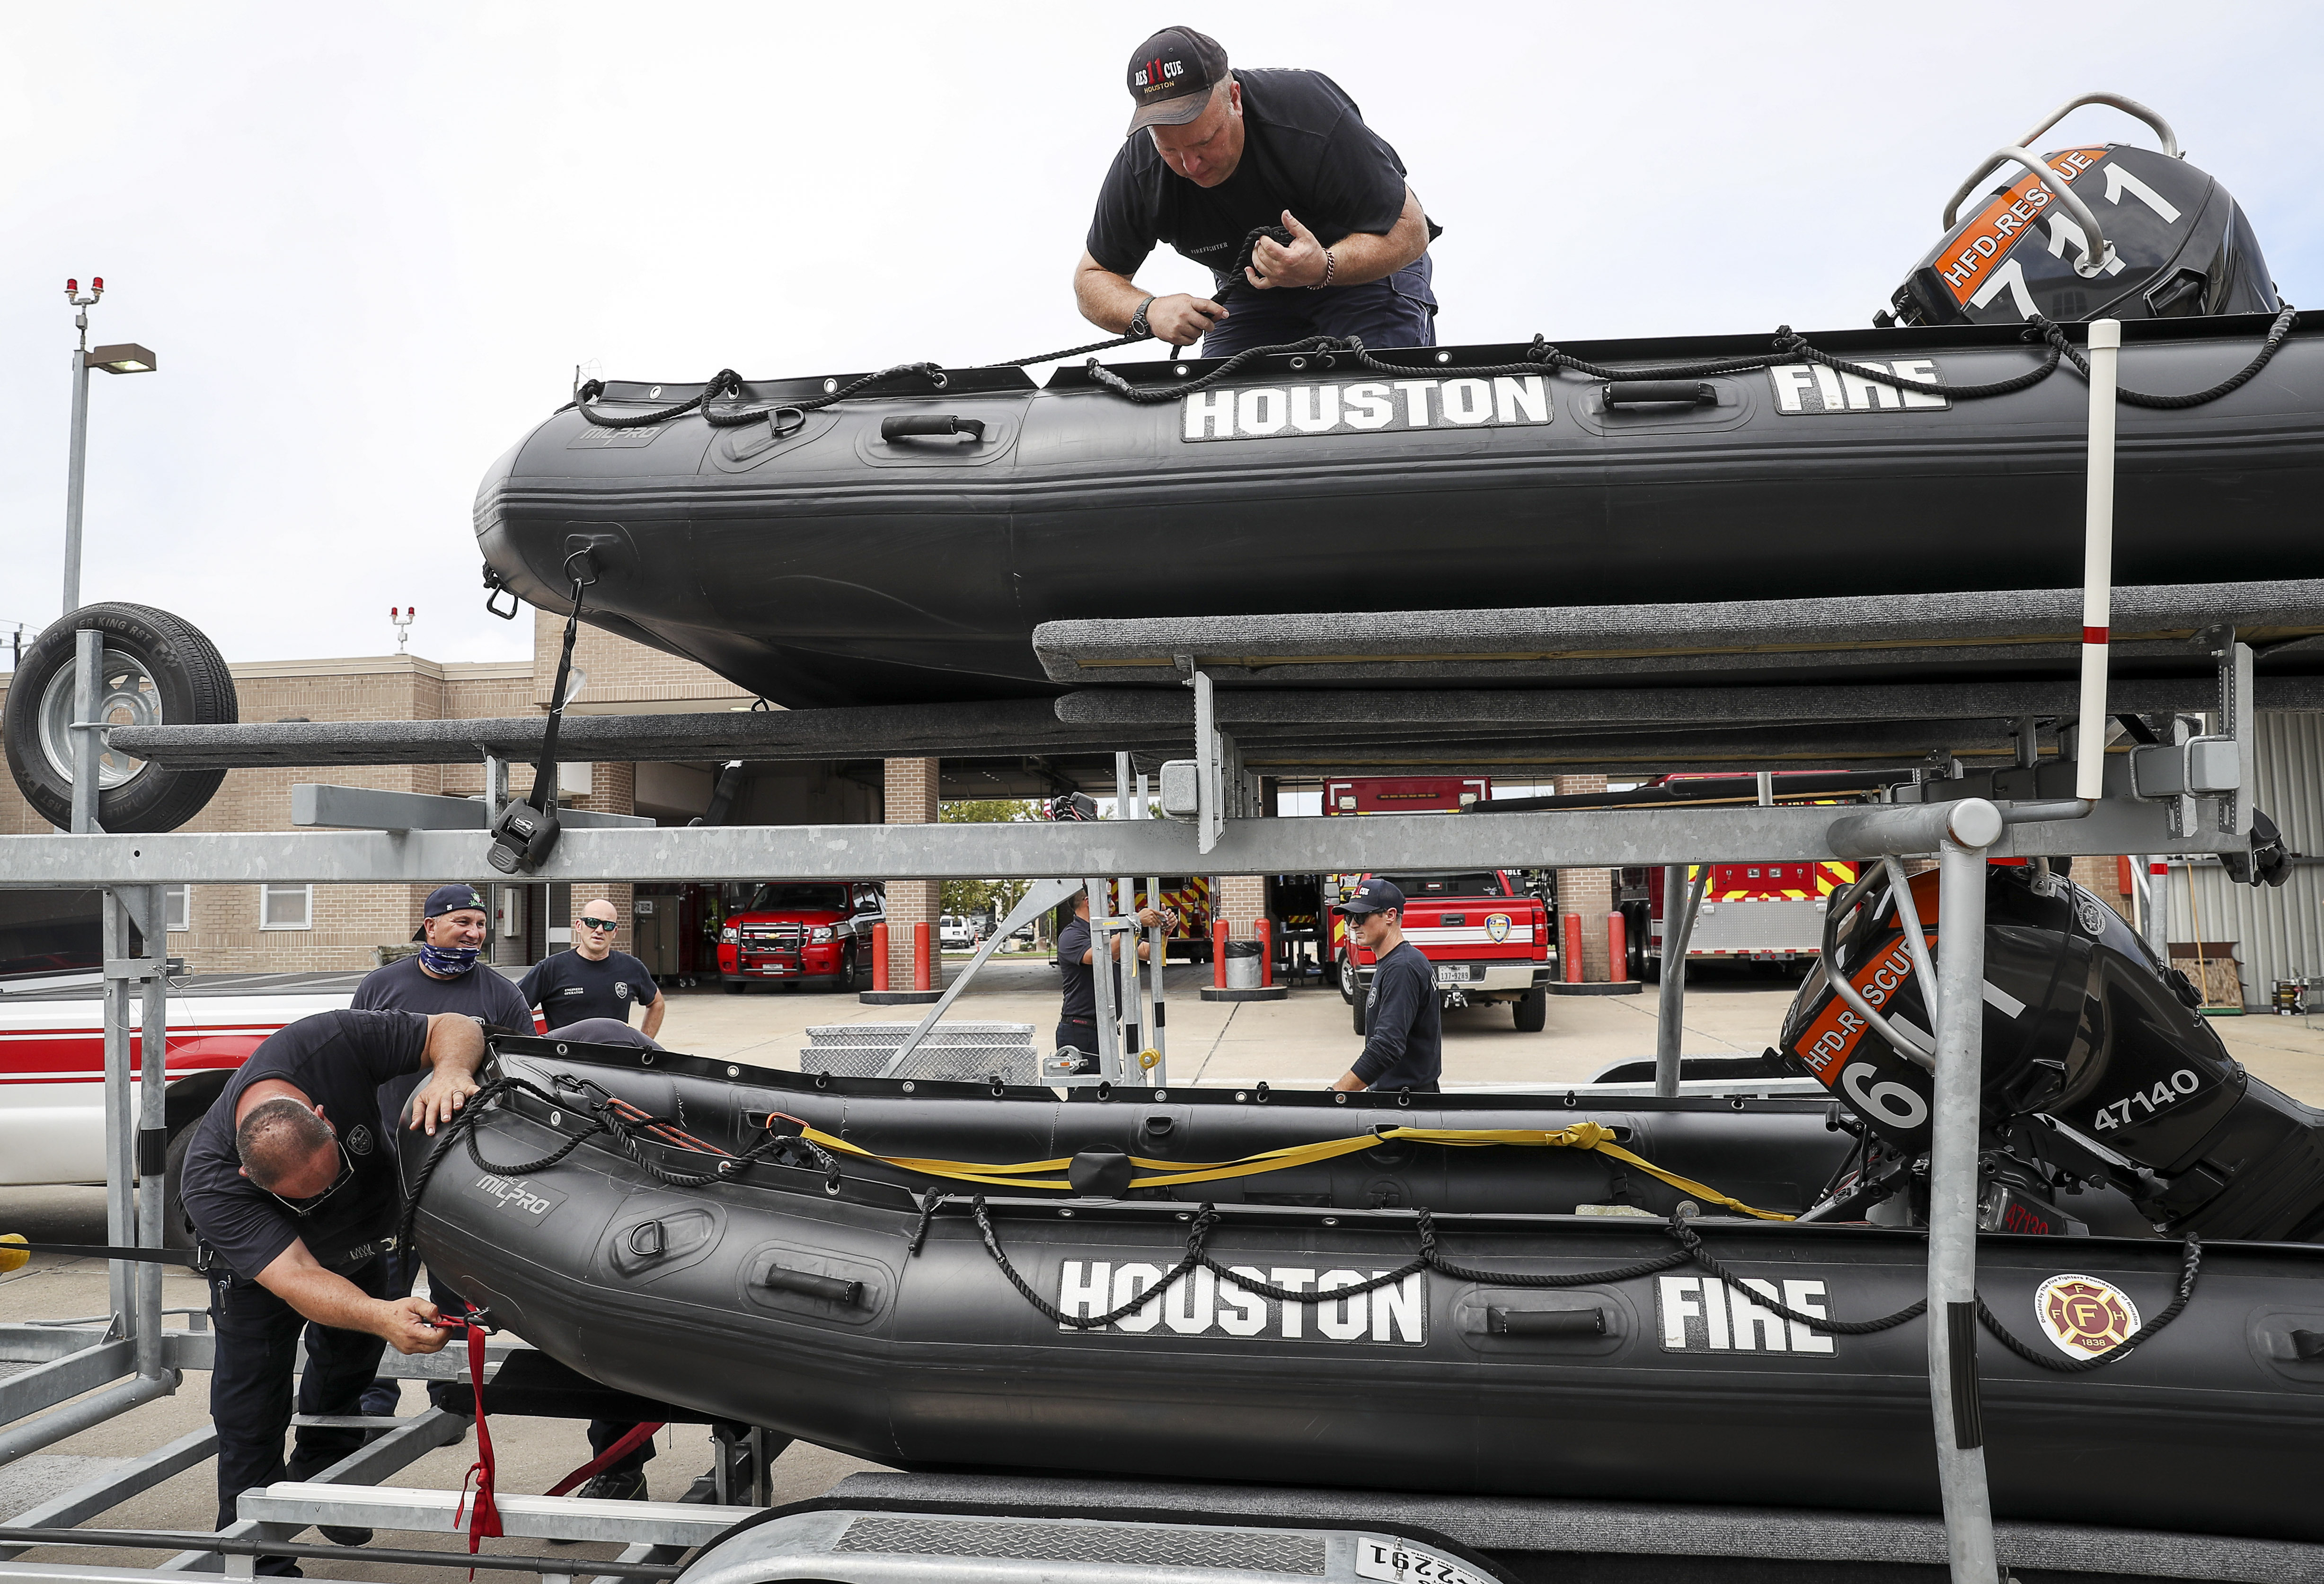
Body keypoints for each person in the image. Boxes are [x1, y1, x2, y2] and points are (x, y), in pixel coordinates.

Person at [179, 1009, 482, 1571]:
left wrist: (449, 1072)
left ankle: (324, 1474)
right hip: (261, 1275)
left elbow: (452, 1025)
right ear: (251, 1178)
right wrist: (378, 1313)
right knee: (252, 1411)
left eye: (334, 1171)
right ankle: (259, 1558)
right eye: (307, 1195)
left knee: (348, 1368)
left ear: (323, 1118)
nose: (329, 1194)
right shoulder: (213, 1181)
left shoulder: (328, 1044)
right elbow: (296, 1277)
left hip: (364, 1245)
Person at [1076, 26, 1440, 359]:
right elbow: (1092, 277)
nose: (1191, 165)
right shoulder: (1140, 166)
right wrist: (1148, 310)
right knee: (1216, 408)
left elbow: (1409, 230)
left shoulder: (1308, 113)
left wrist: (1323, 266)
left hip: (1362, 275)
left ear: (1235, 99)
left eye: (1205, 141)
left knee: (1365, 393)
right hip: (1251, 295)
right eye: (1170, 150)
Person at [351, 885, 532, 1426]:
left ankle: (451, 1403)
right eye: (461, 922)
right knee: (385, 1291)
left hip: (463, 1171)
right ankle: (371, 1404)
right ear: (429, 927)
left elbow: (524, 1081)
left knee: (456, 1294)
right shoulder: (382, 987)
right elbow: (354, 1064)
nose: (474, 933)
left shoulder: (503, 996)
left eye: (480, 924)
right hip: (386, 1168)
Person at [1329, 878, 1441, 1093]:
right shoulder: (1396, 962)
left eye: (1361, 916)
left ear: (1390, 915)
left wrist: (1338, 1094)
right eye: (1350, 916)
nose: (1353, 925)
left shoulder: (1403, 968)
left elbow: (1387, 1047)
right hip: (1401, 1099)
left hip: (1406, 1108)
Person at [518, 898, 665, 1038]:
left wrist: (644, 1043)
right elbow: (513, 1008)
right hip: (565, 1061)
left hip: (614, 1061)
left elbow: (656, 1003)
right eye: (592, 922)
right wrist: (533, 1044)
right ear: (579, 926)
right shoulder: (551, 969)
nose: (600, 930)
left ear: (615, 933)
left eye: (608, 925)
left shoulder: (632, 968)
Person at [1054, 888, 1166, 1065]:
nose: (1113, 905)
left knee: (1110, 1091)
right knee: (1086, 1092)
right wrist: (1135, 922)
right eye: (1107, 899)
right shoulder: (1072, 935)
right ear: (1089, 901)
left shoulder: (1109, 934)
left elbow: (1149, 952)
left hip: (1104, 1029)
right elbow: (1100, 957)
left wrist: (1164, 931)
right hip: (1081, 1031)